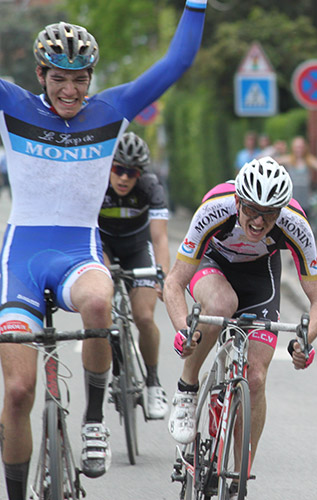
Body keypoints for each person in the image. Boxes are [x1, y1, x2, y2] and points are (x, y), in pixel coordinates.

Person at [0, 3, 206, 497]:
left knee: (99, 302)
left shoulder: (111, 110)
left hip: (78, 252)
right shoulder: (13, 105)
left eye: (81, 79)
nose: (70, 90)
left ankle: (94, 422)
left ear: (92, 77)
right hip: (22, 260)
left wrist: (196, 4)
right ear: (41, 75)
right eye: (59, 79)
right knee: (18, 391)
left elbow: (176, 63)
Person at [165, 157, 317, 469]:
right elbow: (174, 281)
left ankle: (241, 475)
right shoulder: (214, 209)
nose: (259, 221)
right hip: (212, 263)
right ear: (238, 201)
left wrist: (304, 342)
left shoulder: (295, 224)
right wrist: (183, 330)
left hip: (259, 276)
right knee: (220, 305)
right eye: (252, 211)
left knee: (255, 377)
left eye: (269, 215)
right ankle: (187, 389)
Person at [98, 132, 170, 419]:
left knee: (143, 317)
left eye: (131, 172)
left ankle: (153, 382)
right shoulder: (96, 182)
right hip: (103, 245)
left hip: (137, 248)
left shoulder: (151, 187)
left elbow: (161, 238)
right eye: (118, 169)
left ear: (141, 173)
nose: (124, 178)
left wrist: (161, 275)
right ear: (109, 166)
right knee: (99, 303)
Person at [278, 135, 317, 213]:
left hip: (305, 199)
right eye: (297, 147)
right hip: (291, 199)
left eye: (301, 147)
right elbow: (273, 161)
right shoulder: (289, 160)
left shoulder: (309, 160)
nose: (299, 149)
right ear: (293, 148)